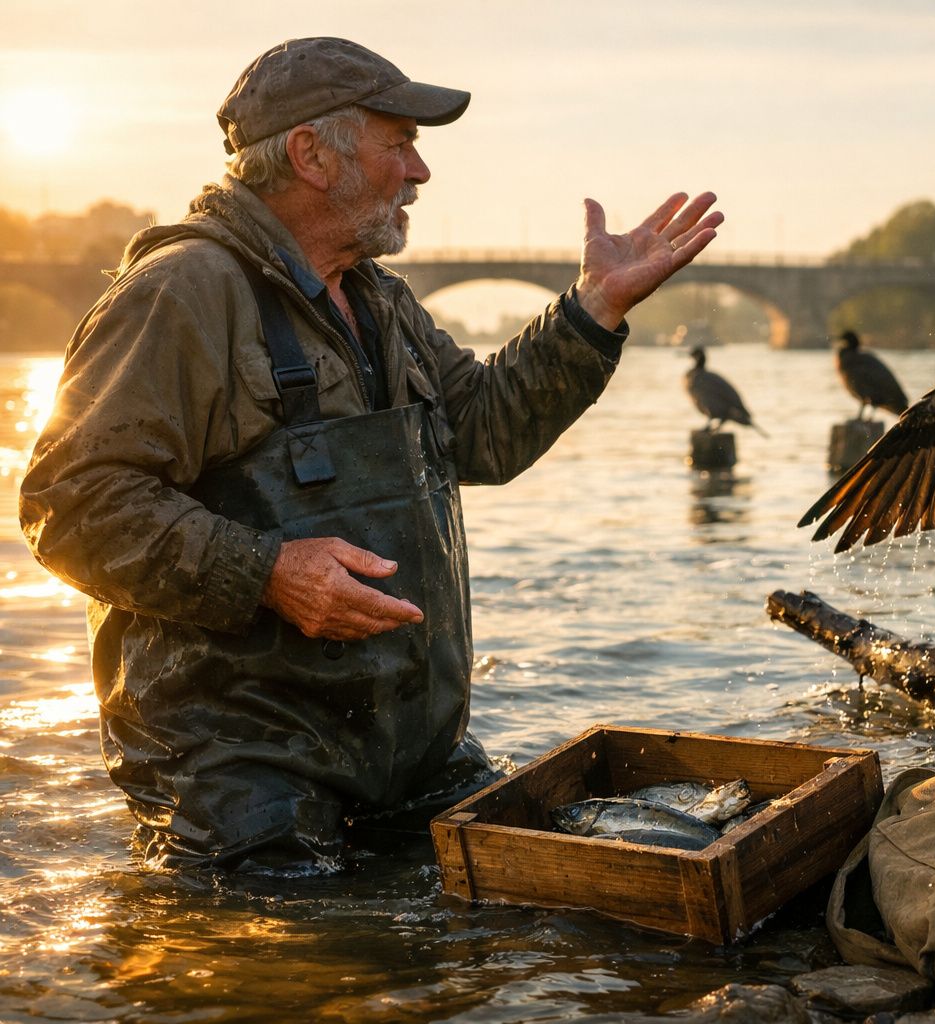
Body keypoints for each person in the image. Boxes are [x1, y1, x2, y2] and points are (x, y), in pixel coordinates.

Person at [18, 37, 722, 872]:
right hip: (242, 776)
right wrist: (268, 572)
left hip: (407, 757)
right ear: (313, 156)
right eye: (400, 144)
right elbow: (70, 502)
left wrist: (591, 310)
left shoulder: (381, 299)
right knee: (292, 949)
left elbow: (484, 432)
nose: (419, 171)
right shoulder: (183, 289)